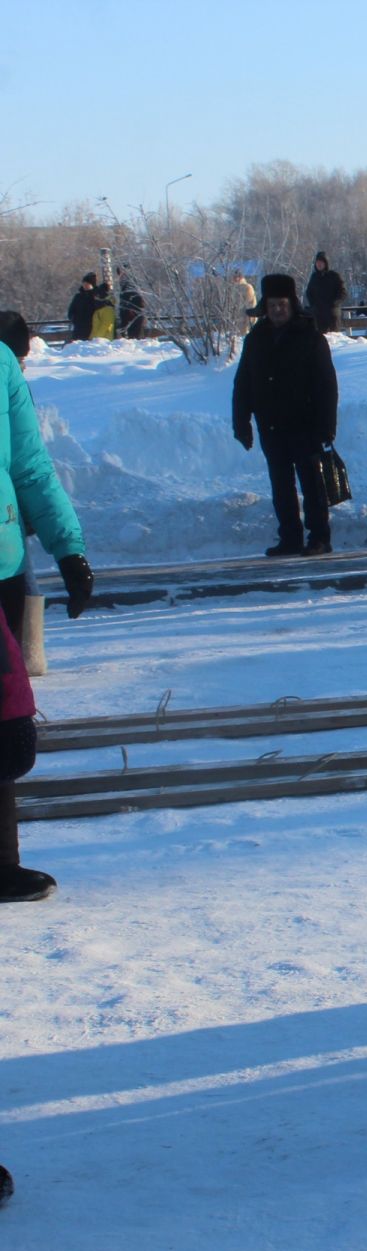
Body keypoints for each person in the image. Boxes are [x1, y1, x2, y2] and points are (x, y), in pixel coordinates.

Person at [0, 310, 94, 904]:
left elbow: (29, 465)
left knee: (2, 720)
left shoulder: (1, 363)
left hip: (1, 565)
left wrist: (69, 549)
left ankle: (2, 864)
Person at [232, 273, 338, 556]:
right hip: (271, 425)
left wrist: (326, 427)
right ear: (265, 307)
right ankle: (290, 538)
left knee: (312, 485)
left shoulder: (310, 337)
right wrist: (241, 421)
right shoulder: (256, 339)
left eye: (283, 304)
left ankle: (319, 537)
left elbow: (327, 386)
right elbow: (243, 382)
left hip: (305, 424)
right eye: (273, 305)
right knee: (281, 486)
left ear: (292, 305)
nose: (278, 310)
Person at [305, 252, 346, 334]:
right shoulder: (314, 277)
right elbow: (309, 292)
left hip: (332, 315)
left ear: (326, 263)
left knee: (333, 340)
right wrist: (313, 306)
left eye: (321, 262)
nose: (319, 264)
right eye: (317, 262)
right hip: (317, 316)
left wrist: (334, 304)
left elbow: (343, 292)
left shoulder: (334, 276)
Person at [67, 273, 99, 342]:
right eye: (84, 283)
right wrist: (74, 318)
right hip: (79, 328)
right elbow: (71, 310)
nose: (85, 285)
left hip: (92, 328)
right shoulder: (78, 297)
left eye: (87, 283)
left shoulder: (97, 296)